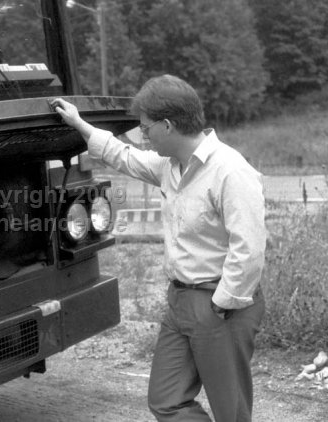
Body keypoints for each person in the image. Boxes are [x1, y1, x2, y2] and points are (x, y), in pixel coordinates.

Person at [51, 74, 266, 422]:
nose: (143, 136)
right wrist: (79, 123)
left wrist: (222, 303)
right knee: (166, 401)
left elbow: (250, 248)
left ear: (168, 125)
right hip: (180, 300)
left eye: (146, 128)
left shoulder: (230, 171)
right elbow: (123, 155)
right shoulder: (170, 166)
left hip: (221, 303)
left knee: (232, 411)